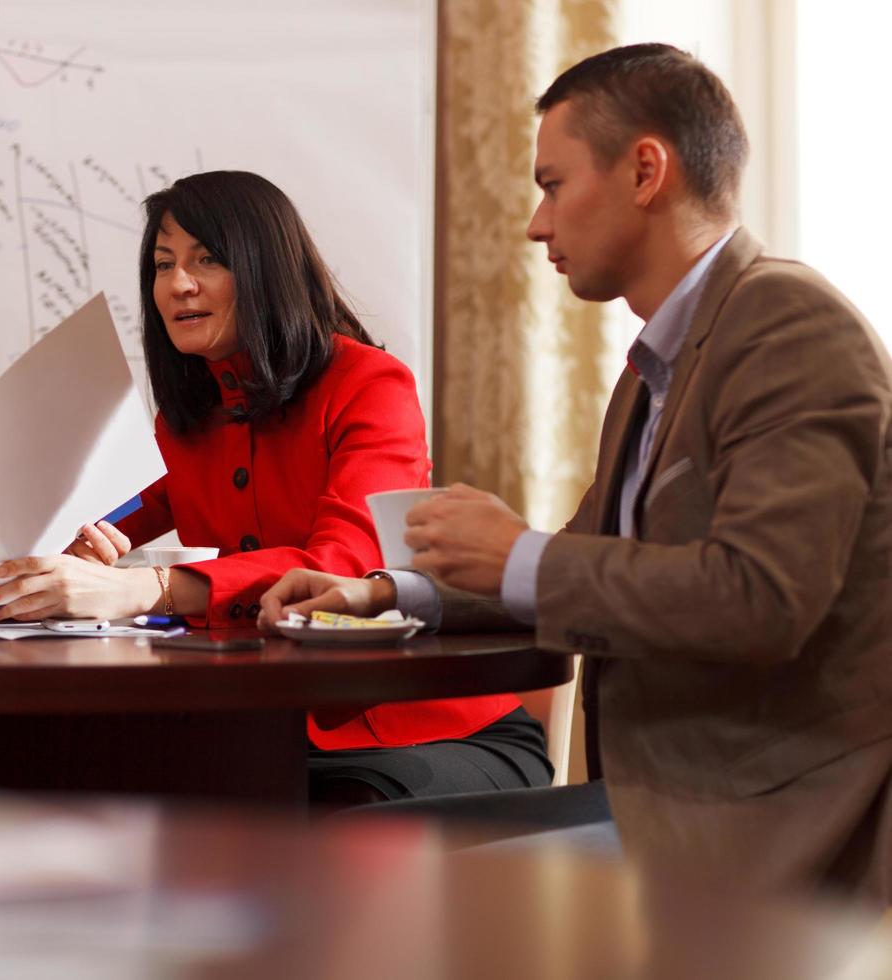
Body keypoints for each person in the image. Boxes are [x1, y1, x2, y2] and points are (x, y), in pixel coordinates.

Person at [260, 44, 892, 900]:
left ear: (644, 170)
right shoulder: (654, 366)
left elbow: (762, 598)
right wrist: (394, 593)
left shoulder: (788, 324)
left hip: (774, 825)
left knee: (353, 874)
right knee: (337, 845)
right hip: (663, 802)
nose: (534, 224)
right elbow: (584, 556)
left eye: (553, 185)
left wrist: (519, 554)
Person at [0, 170, 550, 805]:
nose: (177, 284)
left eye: (207, 260)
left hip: (417, 735)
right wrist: (74, 553)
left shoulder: (371, 385)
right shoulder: (188, 419)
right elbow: (112, 515)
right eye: (163, 264)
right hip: (254, 729)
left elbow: (340, 570)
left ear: (266, 268)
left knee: (288, 820)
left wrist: (143, 586)